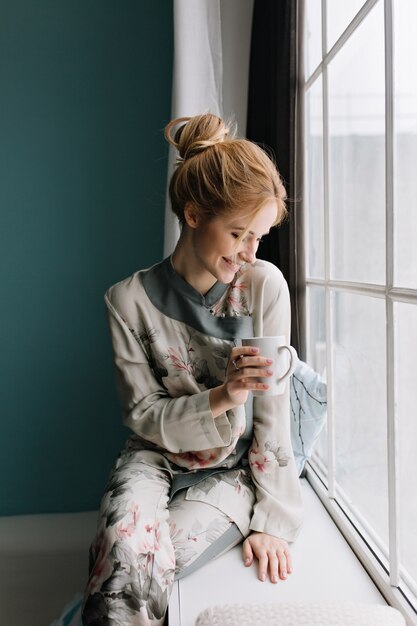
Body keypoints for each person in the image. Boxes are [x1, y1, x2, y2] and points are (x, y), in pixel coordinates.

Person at [82, 113, 303, 625]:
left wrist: (273, 520)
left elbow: (271, 414)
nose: (250, 253)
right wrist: (223, 395)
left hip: (237, 460)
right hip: (156, 455)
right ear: (194, 213)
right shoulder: (127, 300)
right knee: (121, 553)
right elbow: (142, 414)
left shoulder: (263, 285)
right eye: (238, 233)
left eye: (260, 237)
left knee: (155, 562)